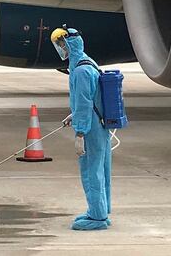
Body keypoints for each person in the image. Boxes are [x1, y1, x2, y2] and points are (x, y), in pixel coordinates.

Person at [51, 27, 112, 231]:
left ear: (68, 45)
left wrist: (79, 133)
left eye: (60, 45)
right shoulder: (88, 62)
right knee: (101, 168)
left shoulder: (80, 71)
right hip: (98, 123)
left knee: (91, 170)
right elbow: (90, 99)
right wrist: (73, 114)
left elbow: (85, 103)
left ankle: (97, 217)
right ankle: (100, 210)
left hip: (91, 128)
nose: (60, 49)